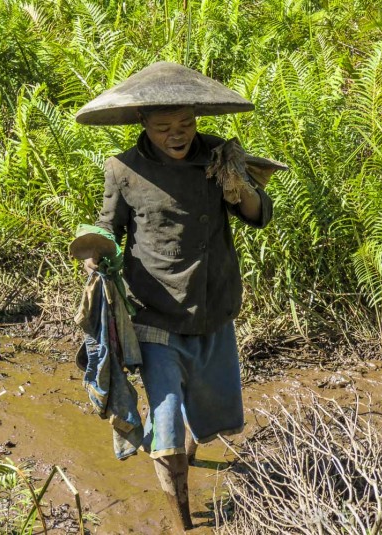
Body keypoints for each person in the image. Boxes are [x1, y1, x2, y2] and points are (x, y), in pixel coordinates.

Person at [75, 62, 285, 533]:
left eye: (186, 125)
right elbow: (108, 228)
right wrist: (94, 254)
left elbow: (259, 214)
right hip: (153, 310)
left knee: (205, 406)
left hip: (212, 304)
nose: (177, 135)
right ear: (143, 125)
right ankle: (183, 521)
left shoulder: (218, 155)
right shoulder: (123, 168)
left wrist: (241, 187)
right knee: (166, 419)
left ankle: (187, 463)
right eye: (164, 127)